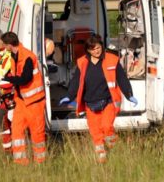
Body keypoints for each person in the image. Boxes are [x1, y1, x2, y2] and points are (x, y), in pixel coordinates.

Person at [59, 34, 138, 163]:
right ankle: (102, 158)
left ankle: (116, 150)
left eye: (98, 47)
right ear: (88, 50)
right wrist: (69, 96)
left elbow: (122, 78)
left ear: (102, 46)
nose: (96, 51)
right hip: (90, 104)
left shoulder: (112, 59)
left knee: (107, 127)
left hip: (108, 101)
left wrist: (129, 94)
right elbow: (75, 82)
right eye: (93, 49)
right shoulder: (82, 62)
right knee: (96, 134)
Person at [0, 32, 46, 165]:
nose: (4, 47)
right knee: (17, 131)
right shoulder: (14, 56)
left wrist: (7, 79)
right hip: (21, 101)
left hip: (34, 102)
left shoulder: (27, 57)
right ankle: (21, 162)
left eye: (4, 45)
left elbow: (25, 79)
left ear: (9, 45)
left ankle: (40, 162)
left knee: (37, 134)